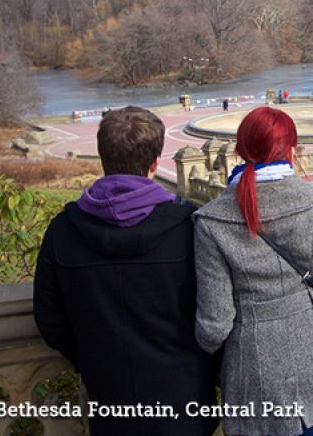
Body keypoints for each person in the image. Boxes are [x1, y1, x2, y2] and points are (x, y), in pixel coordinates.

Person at [33, 106, 219, 436]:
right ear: (155, 162)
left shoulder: (63, 231)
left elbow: (50, 319)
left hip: (110, 400)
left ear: (104, 158)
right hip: (185, 398)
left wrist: (93, 358)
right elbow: (215, 312)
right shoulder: (190, 227)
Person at [193, 106, 313, 436]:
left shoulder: (211, 220)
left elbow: (215, 324)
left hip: (254, 372)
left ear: (240, 150)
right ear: (292, 150)